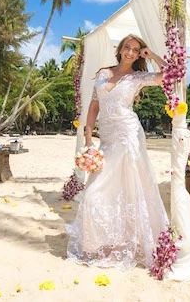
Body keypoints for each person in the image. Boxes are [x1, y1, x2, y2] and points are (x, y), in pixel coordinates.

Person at [66, 34, 168, 271]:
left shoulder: (138, 77)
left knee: (129, 187)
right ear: (120, 49)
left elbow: (170, 75)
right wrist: (89, 139)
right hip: (107, 139)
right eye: (127, 47)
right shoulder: (103, 74)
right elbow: (93, 106)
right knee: (95, 191)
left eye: (135, 50)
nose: (130, 52)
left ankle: (128, 240)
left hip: (128, 136)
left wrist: (151, 55)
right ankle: (99, 241)